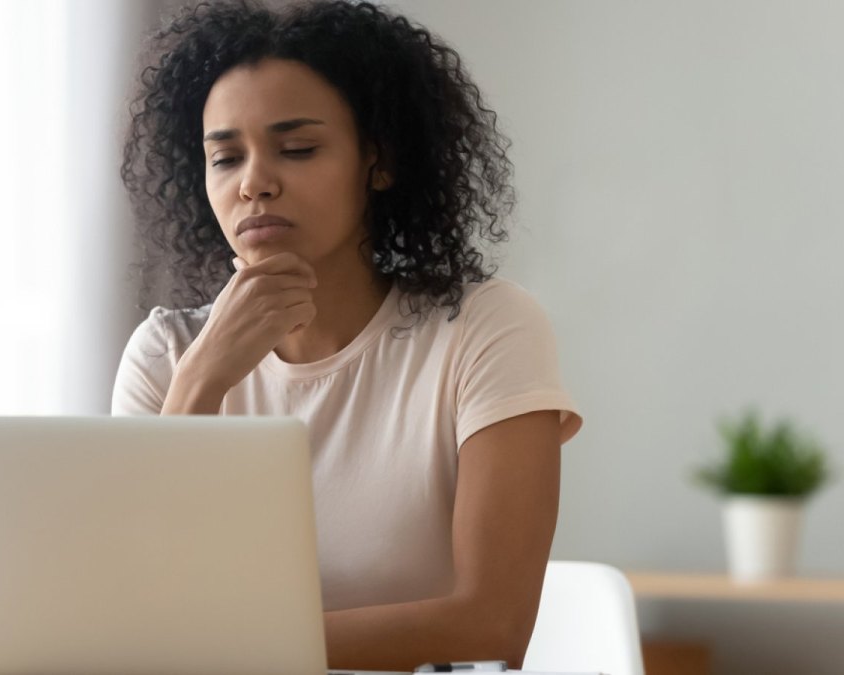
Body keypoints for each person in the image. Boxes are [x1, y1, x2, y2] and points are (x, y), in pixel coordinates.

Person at [112, 1, 583, 670]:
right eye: (224, 158)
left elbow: (492, 623)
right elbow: (128, 609)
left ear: (379, 161)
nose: (254, 184)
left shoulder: (483, 329)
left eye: (297, 148)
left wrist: (232, 648)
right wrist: (201, 380)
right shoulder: (164, 356)